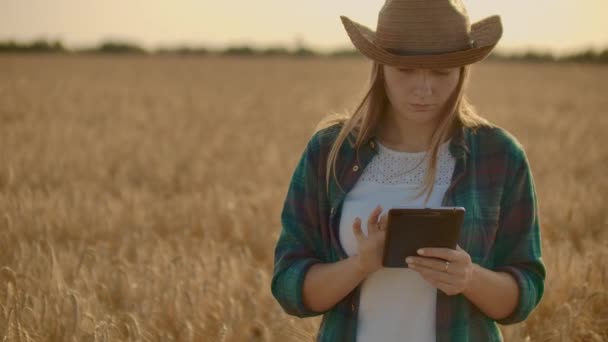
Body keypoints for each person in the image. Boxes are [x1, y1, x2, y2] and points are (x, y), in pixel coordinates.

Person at [271, 0, 546, 341]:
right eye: (406, 70)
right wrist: (359, 265)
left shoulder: (500, 156)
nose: (423, 88)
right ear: (381, 66)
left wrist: (469, 278)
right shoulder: (330, 152)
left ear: (462, 71)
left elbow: (526, 290)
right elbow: (288, 286)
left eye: (441, 72)